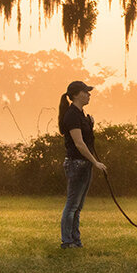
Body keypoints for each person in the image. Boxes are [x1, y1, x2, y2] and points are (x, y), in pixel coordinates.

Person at [58, 80, 107, 249]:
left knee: (78, 207)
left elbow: (86, 139)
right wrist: (96, 162)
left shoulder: (81, 114)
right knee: (72, 205)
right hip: (76, 164)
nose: (89, 95)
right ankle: (67, 241)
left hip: (84, 165)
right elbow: (79, 143)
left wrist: (90, 124)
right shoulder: (71, 115)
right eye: (86, 92)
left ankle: (75, 240)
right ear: (77, 94)